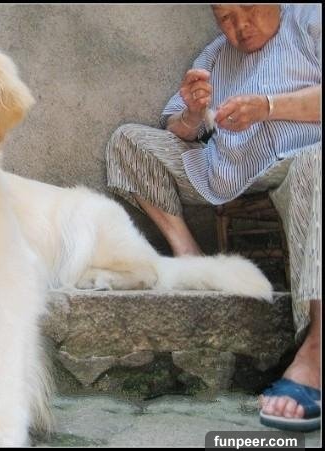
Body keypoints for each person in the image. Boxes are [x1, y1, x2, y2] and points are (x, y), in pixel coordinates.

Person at [105, 4, 321, 432]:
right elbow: (176, 128)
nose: (240, 26)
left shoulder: (310, 19)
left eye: (249, 8)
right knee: (127, 140)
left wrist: (268, 106)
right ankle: (190, 256)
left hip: (302, 161)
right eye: (226, 17)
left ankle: (316, 351)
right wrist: (190, 114)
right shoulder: (216, 55)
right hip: (226, 168)